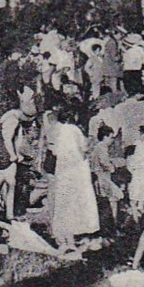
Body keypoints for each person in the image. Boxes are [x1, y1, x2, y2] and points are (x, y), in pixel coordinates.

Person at [45, 103, 99, 252]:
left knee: (64, 203)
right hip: (76, 171)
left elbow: (53, 150)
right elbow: (84, 149)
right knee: (77, 203)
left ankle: (66, 239)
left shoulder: (56, 130)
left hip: (62, 171)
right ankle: (72, 239)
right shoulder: (75, 130)